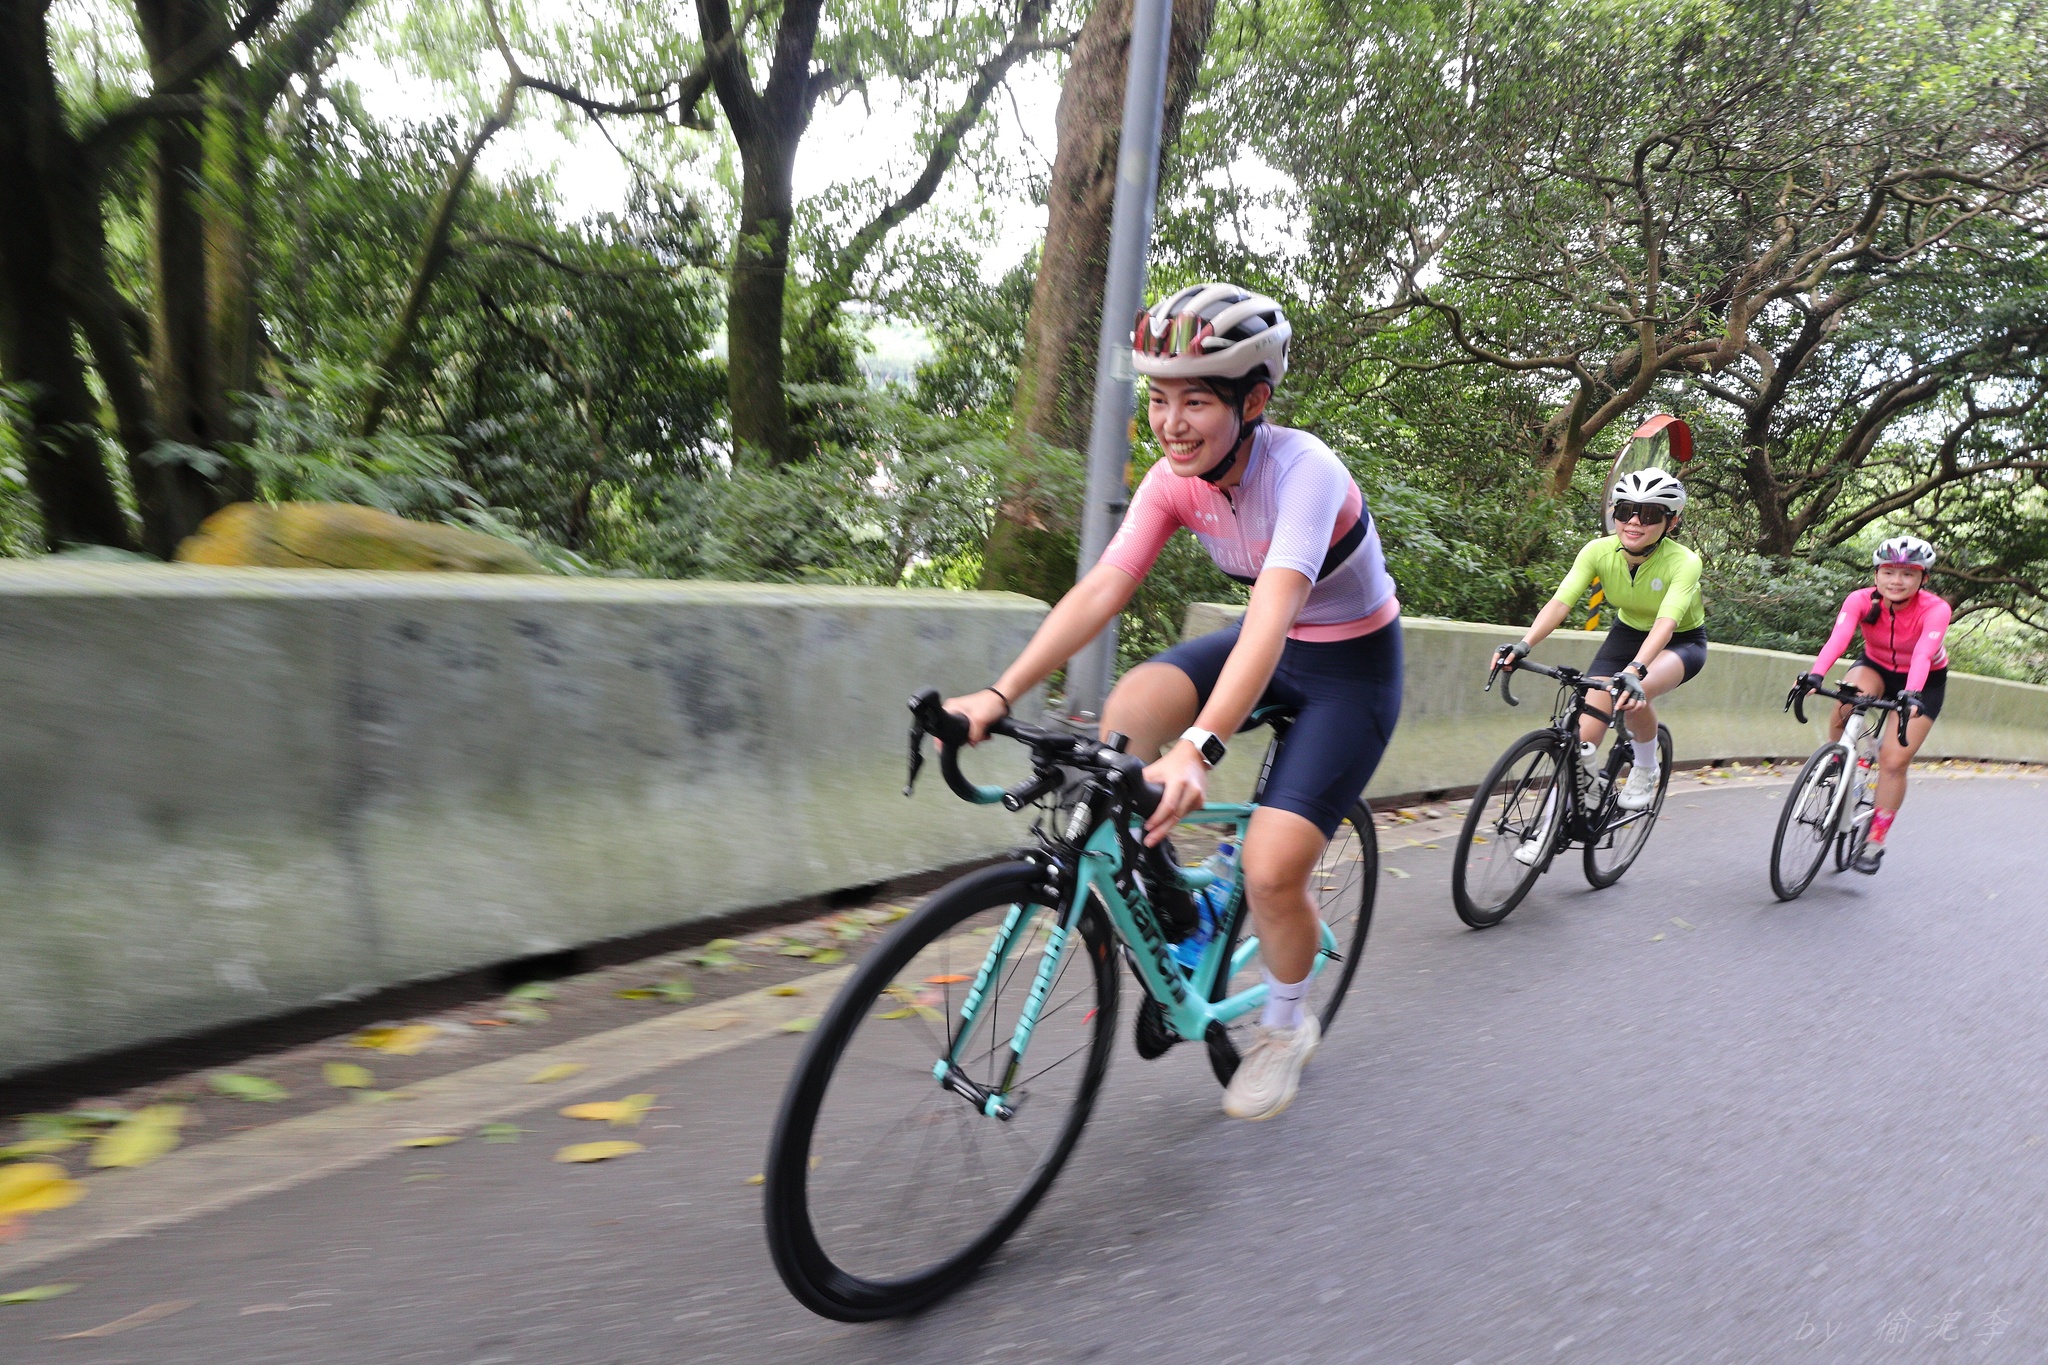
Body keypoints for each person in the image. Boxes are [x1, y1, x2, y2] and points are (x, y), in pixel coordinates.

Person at [943, 282, 1403, 1122]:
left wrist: (1200, 746)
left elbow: (1272, 615)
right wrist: (1000, 692)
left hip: (1351, 670)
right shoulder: (1171, 481)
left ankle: (1284, 1027)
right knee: (1127, 715)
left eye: (1196, 401)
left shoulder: (1304, 471)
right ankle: (1180, 911)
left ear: (1253, 401)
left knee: (1272, 870)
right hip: (1267, 644)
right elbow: (1102, 588)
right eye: (1158, 399)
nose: (1171, 422)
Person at [1493, 468, 1707, 863]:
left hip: (1680, 641)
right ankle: (1550, 827)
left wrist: (1636, 670)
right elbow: (1561, 602)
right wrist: (1523, 645)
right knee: (1582, 740)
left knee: (1633, 694)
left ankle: (1646, 767)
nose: (1634, 522)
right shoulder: (1597, 550)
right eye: (1625, 511)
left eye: (1649, 514)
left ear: (1672, 522)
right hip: (1626, 634)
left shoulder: (1684, 561)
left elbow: (1666, 622)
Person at [1789, 536, 1950, 873]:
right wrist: (1815, 676)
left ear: (1923, 578)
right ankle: (1838, 756)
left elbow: (1923, 653)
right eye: (1888, 572)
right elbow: (1839, 638)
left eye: (1908, 574)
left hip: (1922, 681)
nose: (1896, 581)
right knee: (1846, 701)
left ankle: (1876, 839)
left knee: (1893, 761)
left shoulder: (1935, 609)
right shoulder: (1860, 599)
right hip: (1875, 666)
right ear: (1876, 574)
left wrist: (1912, 692)